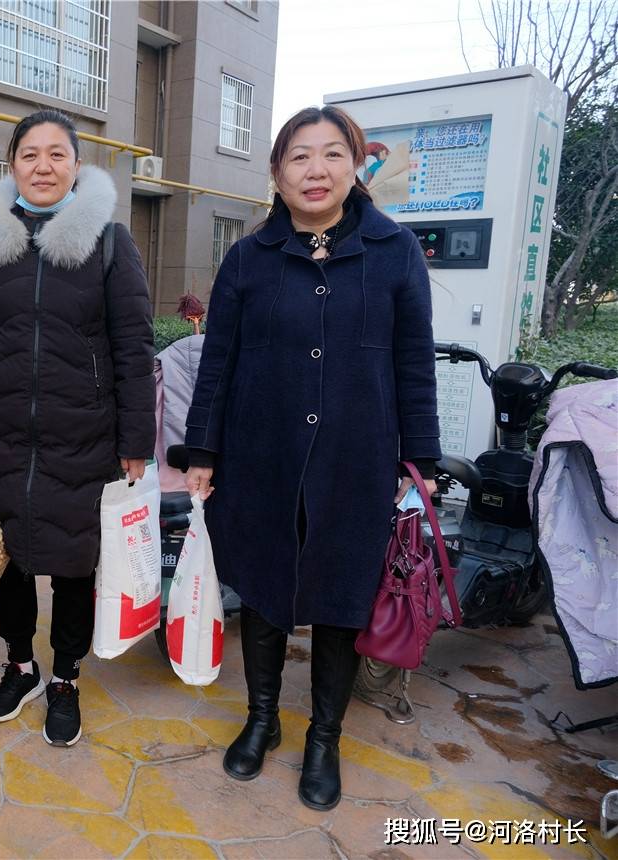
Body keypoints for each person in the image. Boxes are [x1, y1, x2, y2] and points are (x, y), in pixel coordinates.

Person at [183, 106, 441, 810]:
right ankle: (262, 719)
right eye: (300, 156)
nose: (316, 169)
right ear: (276, 172)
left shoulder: (393, 252)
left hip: (357, 461)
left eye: (333, 154)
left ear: (356, 165)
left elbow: (415, 364)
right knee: (264, 589)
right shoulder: (248, 258)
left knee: (339, 595)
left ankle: (323, 736)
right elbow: (219, 364)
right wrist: (201, 448)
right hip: (259, 453)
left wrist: (420, 467)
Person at [0, 110, 155, 747]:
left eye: (56, 154)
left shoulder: (110, 241)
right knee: (6, 559)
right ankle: (19, 664)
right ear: (11, 167)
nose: (43, 166)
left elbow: (134, 345)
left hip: (83, 435)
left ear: (77, 166)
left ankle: (64, 675)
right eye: (29, 155)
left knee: (73, 564)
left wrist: (135, 442)